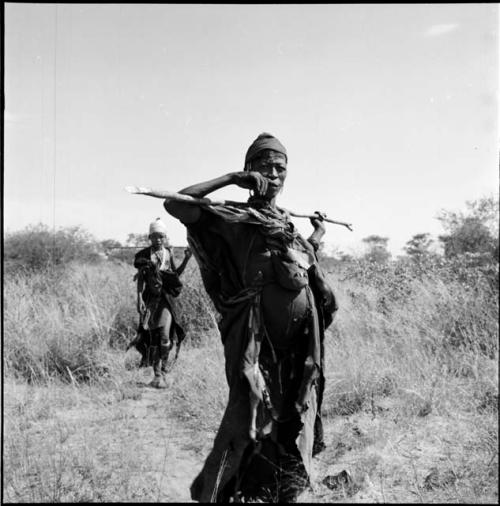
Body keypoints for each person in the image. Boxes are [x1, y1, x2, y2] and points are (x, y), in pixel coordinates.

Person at [164, 133, 338, 501]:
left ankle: (282, 489)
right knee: (249, 415)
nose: (273, 173)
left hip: (298, 348)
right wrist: (229, 178)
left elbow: (301, 264)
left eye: (280, 167)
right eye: (263, 166)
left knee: (292, 415)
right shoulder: (231, 218)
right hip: (254, 343)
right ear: (249, 170)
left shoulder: (287, 225)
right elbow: (176, 205)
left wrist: (316, 234)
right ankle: (218, 493)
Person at [132, 218, 192, 388]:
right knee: (153, 336)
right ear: (149, 237)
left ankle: (163, 370)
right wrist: (139, 299)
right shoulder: (144, 256)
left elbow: (175, 275)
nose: (158, 239)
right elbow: (141, 279)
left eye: (161, 236)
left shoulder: (168, 253)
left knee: (165, 335)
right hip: (151, 300)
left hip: (166, 300)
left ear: (165, 237)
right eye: (155, 236)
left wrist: (186, 259)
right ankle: (157, 374)